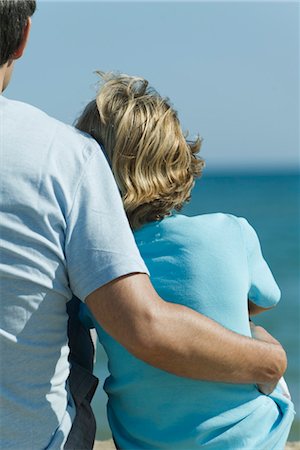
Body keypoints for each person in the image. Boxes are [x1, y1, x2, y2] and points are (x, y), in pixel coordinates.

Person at [0, 2, 290, 448]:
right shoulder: (231, 230)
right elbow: (155, 324)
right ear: (23, 38)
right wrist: (267, 359)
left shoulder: (95, 258)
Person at [77, 72, 295, 449]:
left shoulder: (95, 261)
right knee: (255, 334)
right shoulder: (231, 230)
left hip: (145, 442)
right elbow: (262, 301)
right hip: (252, 440)